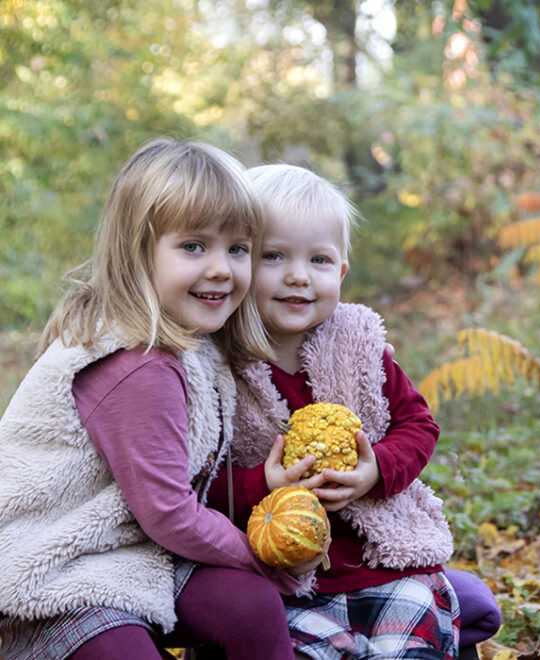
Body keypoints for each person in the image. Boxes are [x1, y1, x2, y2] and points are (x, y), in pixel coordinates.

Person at [0, 140, 327, 660]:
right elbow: (170, 512)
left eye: (238, 248)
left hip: (142, 551)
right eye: (194, 246)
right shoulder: (136, 366)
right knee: (122, 649)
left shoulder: (192, 342)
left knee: (250, 607)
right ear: (138, 252)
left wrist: (357, 345)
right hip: (59, 563)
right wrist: (259, 558)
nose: (222, 268)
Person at [204, 164, 499, 659]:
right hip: (282, 577)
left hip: (381, 562)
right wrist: (264, 487)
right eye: (274, 256)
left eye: (319, 260)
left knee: (408, 635)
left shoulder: (359, 346)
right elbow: (194, 481)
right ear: (239, 264)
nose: (299, 276)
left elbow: (417, 424)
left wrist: (376, 469)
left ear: (340, 272)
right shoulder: (216, 365)